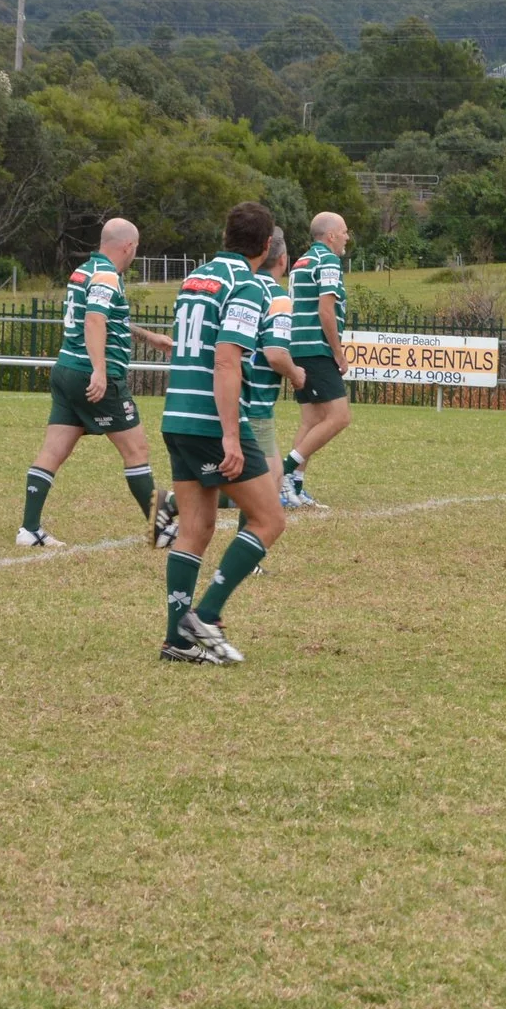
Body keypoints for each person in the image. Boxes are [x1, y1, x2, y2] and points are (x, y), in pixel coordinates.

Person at [157, 201, 289, 665]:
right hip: (211, 422)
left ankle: (177, 639)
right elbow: (227, 359)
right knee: (269, 519)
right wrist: (232, 437)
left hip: (177, 415)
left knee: (195, 528)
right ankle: (206, 616)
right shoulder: (248, 285)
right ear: (267, 245)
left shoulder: (196, 277)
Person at [16, 216, 178, 549]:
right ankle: (159, 530)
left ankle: (29, 529)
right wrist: (100, 370)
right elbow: (93, 320)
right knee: (137, 450)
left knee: (53, 450)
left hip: (66, 370)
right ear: (128, 246)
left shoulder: (86, 271)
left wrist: (148, 338)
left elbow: (102, 317)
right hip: (88, 374)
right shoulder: (107, 275)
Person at [281, 212, 351, 510]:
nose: (348, 237)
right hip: (315, 349)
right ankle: (283, 472)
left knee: (311, 420)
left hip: (297, 347)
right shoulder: (328, 261)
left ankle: (293, 487)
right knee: (339, 416)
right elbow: (326, 310)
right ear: (331, 235)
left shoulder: (301, 261)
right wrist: (337, 352)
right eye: (345, 232)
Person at [235, 228, 304, 505]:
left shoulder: (240, 287)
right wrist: (296, 374)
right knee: (268, 486)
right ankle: (176, 503)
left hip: (230, 394)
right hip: (255, 400)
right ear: (283, 259)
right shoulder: (277, 297)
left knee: (271, 478)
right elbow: (275, 354)